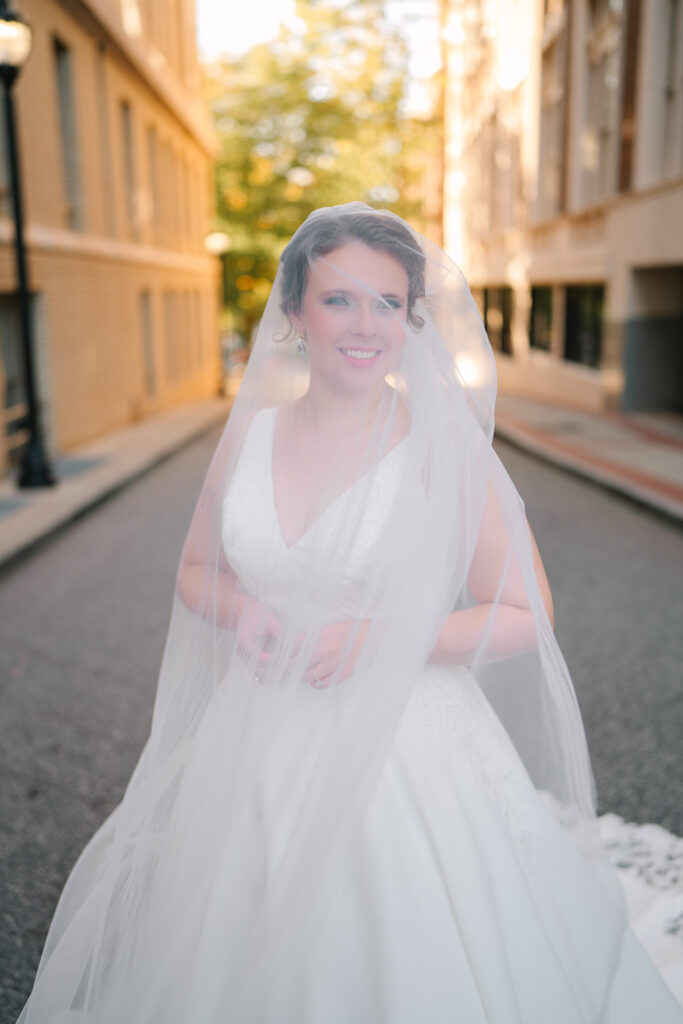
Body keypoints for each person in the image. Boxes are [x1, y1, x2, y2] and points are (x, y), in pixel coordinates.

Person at [17, 203, 683, 1023]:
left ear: (410, 318)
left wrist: (383, 638)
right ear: (294, 312)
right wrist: (243, 610)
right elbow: (196, 569)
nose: (365, 325)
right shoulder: (248, 436)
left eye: (387, 303)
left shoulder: (446, 449)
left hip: (402, 743)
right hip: (255, 736)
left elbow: (525, 610)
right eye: (338, 300)